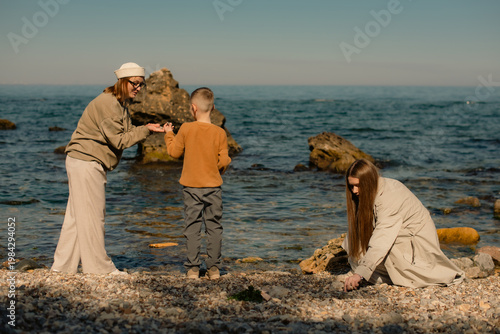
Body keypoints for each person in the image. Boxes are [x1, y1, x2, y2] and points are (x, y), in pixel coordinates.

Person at [51, 62, 164, 275]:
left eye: (141, 84)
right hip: (87, 161)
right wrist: (146, 130)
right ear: (122, 81)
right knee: (94, 216)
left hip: (83, 160)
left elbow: (128, 132)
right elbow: (119, 140)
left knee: (77, 217)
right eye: (134, 83)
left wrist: (146, 129)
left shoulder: (120, 104)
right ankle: (98, 269)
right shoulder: (109, 104)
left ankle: (62, 268)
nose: (138, 88)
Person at [342, 159, 464, 291]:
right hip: (401, 239)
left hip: (416, 248)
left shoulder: (389, 196)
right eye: (351, 186)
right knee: (355, 255)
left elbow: (383, 237)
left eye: (358, 185)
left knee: (367, 263)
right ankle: (376, 273)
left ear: (369, 182)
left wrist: (360, 273)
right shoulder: (375, 189)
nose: (354, 191)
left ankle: (388, 275)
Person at [164, 87, 231, 279]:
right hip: (213, 187)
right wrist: (217, 168)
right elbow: (224, 160)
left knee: (192, 226)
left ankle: (193, 269)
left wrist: (169, 134)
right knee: (214, 227)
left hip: (191, 187)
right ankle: (214, 269)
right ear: (213, 108)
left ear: (193, 108)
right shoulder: (219, 133)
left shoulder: (185, 128)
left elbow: (174, 153)